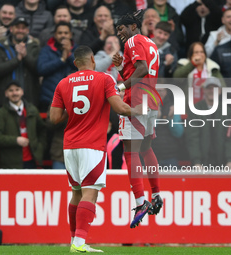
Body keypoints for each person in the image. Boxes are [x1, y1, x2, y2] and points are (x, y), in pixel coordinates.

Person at [50, 45, 135, 252]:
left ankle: (73, 241)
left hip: (70, 146)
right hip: (92, 145)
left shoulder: (63, 83)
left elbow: (54, 118)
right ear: (93, 60)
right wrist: (141, 111)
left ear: (75, 63)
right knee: (91, 192)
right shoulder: (104, 79)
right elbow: (120, 108)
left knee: (76, 193)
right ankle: (79, 243)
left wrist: (74, 111)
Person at [112, 10, 163, 228]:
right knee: (146, 149)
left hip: (136, 102)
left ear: (133, 26)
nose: (119, 33)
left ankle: (141, 202)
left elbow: (141, 70)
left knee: (130, 151)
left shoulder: (132, 41)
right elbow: (140, 71)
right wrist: (121, 68)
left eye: (121, 28)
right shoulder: (150, 43)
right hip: (151, 101)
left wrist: (119, 87)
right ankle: (156, 194)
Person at [0, 80, 46, 169]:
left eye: (17, 89)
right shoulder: (0, 113)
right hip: (10, 163)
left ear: (22, 92)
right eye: (11, 90)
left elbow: (42, 130)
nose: (14, 93)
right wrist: (15, 140)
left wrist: (39, 147)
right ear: (6, 93)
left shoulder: (32, 110)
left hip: (32, 161)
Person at [186, 77, 231, 168]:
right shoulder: (195, 109)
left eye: (215, 88)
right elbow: (193, 138)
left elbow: (229, 137)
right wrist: (196, 161)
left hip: (222, 162)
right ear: (204, 90)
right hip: (201, 163)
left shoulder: (227, 111)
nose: (212, 91)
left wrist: (230, 160)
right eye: (209, 88)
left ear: (220, 91)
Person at [0, 16, 41, 107]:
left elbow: (39, 70)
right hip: (5, 99)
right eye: (17, 27)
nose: (20, 30)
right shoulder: (0, 46)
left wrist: (25, 56)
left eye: (23, 28)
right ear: (11, 29)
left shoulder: (35, 46)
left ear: (27, 31)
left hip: (29, 99)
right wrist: (17, 60)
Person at [37, 21, 77, 112]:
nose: (63, 35)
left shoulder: (78, 50)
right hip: (49, 98)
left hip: (74, 100)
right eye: (60, 33)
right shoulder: (46, 50)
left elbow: (84, 67)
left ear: (70, 35)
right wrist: (61, 60)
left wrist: (69, 55)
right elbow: (41, 69)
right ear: (55, 35)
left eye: (66, 33)